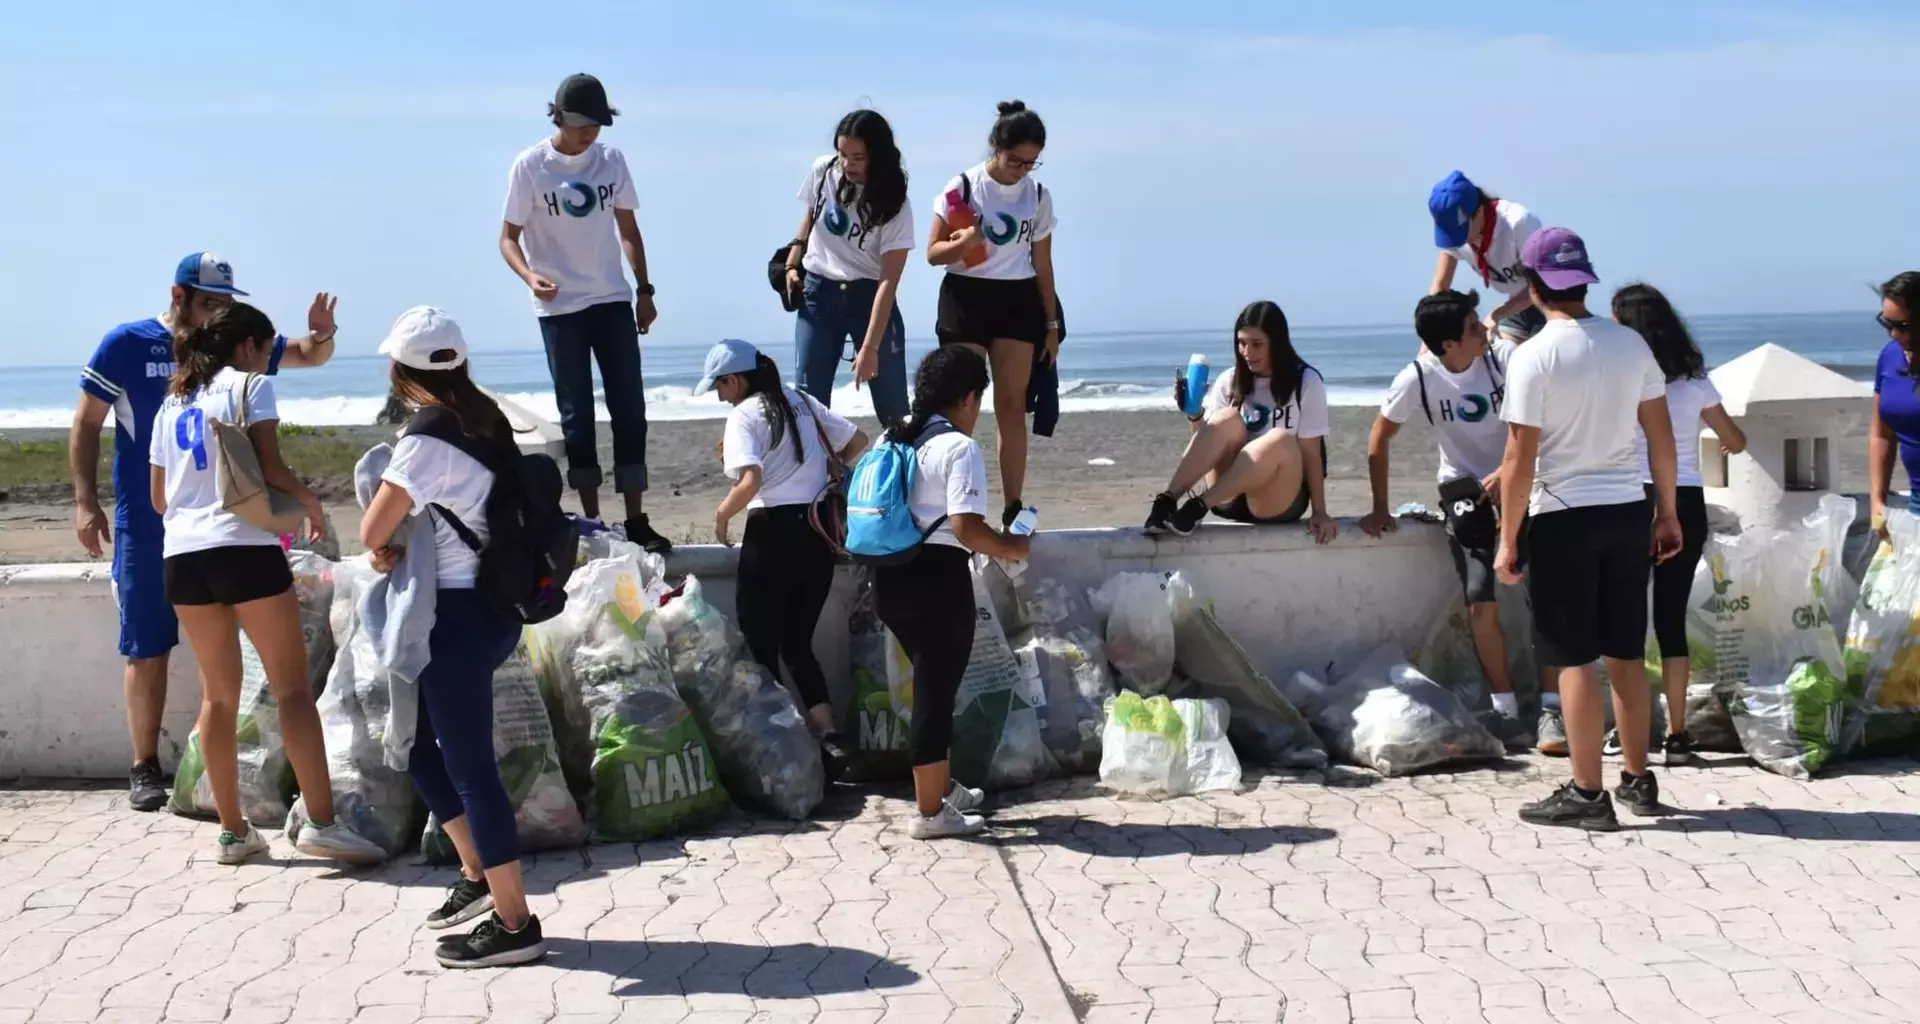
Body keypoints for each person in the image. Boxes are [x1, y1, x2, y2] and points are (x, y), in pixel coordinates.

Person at [73, 251, 340, 812]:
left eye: (226, 303)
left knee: (218, 692)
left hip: (185, 535)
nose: (220, 310)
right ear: (179, 296)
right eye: (210, 301)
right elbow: (86, 423)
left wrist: (323, 338)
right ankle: (145, 766)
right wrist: (84, 501)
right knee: (150, 647)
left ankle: (229, 825)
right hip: (167, 535)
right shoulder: (128, 344)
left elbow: (304, 356)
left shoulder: (206, 375)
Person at [147, 303, 382, 866]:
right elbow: (270, 467)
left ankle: (233, 832)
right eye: (267, 348)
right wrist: (308, 500)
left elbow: (158, 499)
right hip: (244, 548)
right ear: (249, 346)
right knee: (292, 691)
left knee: (218, 697)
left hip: (182, 556)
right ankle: (323, 824)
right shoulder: (250, 385)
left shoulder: (171, 403)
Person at [357, 307, 545, 968]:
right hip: (491, 614)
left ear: (403, 373)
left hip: (455, 620)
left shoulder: (426, 438)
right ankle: (475, 873)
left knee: (470, 774)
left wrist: (384, 549)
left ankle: (515, 922)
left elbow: (373, 529)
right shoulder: (487, 420)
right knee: (415, 747)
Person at [1494, 228, 1682, 831]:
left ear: (1533, 284)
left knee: (1574, 659)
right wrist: (1669, 512)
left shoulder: (1534, 356)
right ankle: (1638, 780)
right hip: (1628, 511)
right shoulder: (1630, 343)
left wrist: (1506, 538)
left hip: (1563, 517)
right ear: (1584, 280)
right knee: (1625, 651)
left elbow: (1520, 460)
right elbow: (1661, 438)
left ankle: (1586, 793)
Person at [499, 72, 670, 554]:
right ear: (559, 118)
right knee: (576, 416)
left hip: (611, 299)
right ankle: (593, 520)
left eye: (596, 124)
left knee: (630, 409)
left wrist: (644, 289)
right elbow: (507, 238)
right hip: (559, 309)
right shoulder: (530, 166)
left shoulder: (611, 161)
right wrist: (530, 276)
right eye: (580, 125)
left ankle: (635, 519)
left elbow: (629, 231)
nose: (589, 133)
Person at [1361, 289, 1533, 750]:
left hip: (1521, 480)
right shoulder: (1419, 377)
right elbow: (1379, 437)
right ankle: (1505, 708)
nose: (1485, 331)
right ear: (1448, 345)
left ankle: (1554, 706)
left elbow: (1545, 425)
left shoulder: (1506, 359)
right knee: (1479, 595)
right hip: (1464, 489)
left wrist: (1506, 472)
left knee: (1548, 591)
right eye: (1474, 327)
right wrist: (1381, 506)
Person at [873, 347, 1030, 839]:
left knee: (933, 684)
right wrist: (1013, 546)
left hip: (890, 576)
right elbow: (965, 527)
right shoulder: (959, 449)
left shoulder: (894, 434)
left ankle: (940, 788)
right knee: (935, 695)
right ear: (967, 397)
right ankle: (929, 814)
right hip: (936, 580)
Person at [699, 340, 871, 778]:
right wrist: (826, 472)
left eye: (719, 387)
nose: (720, 397)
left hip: (771, 536)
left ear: (735, 380)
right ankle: (829, 740)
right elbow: (858, 441)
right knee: (798, 643)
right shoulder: (800, 400)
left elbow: (752, 479)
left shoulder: (743, 414)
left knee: (760, 646)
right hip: (815, 535)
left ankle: (780, 745)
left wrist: (722, 515)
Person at [1606, 284, 1747, 766]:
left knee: (1623, 618)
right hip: (1685, 499)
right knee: (1670, 619)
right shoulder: (1694, 381)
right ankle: (1678, 734)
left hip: (1631, 497)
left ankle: (1627, 729)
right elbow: (1736, 440)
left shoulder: (1622, 379)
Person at [927, 100, 1059, 528]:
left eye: (1031, 162)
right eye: (1016, 159)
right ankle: (955, 504)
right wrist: (964, 242)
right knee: (961, 402)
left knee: (1010, 405)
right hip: (965, 297)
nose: (1023, 169)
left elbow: (1043, 263)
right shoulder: (963, 187)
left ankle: (1012, 505)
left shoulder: (1037, 195)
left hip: (1016, 299)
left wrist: (1051, 324)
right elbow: (933, 254)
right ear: (996, 148)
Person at [1143, 301, 1338, 543]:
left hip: (1275, 500)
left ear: (1277, 343)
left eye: (1257, 344)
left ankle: (1196, 507)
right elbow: (1209, 447)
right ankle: (1167, 502)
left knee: (1279, 439)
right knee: (1226, 418)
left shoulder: (1306, 382)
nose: (1247, 352)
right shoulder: (1230, 380)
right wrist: (1194, 414)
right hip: (1227, 499)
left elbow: (1311, 453)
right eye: (1242, 343)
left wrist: (1320, 512)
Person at [781, 109, 913, 425]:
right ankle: (822, 474)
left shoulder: (896, 203)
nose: (847, 164)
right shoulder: (823, 171)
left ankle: (902, 472)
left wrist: (869, 346)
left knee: (895, 412)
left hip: (870, 296)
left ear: (877, 156)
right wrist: (792, 260)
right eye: (842, 154)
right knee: (808, 407)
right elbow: (810, 216)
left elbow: (888, 281)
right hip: (818, 292)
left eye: (858, 157)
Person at [1428, 171, 1547, 342]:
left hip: (1551, 303)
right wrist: (1429, 346)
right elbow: (1439, 291)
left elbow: (1541, 284)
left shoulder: (1518, 223)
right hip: (1516, 306)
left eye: (1461, 233)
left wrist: (1498, 314)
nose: (1459, 241)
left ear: (1479, 211)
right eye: (1452, 234)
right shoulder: (1456, 235)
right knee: (1498, 357)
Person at [1870, 271, 1920, 533]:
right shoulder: (1890, 357)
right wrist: (1877, 500)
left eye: (1903, 326)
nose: (1893, 333)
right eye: (1887, 323)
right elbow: (1882, 434)